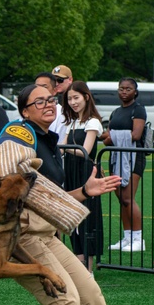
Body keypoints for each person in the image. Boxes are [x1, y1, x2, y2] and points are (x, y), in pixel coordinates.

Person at [0, 83, 154, 305]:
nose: (48, 105)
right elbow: (3, 171)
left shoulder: (50, 139)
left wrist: (85, 190)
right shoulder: (19, 131)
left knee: (91, 294)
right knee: (65, 301)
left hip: (45, 235)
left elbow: (49, 202)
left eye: (51, 100)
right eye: (39, 102)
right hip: (21, 238)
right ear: (24, 110)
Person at [102, 78, 147, 252]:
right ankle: (127, 237)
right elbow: (106, 139)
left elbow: (136, 134)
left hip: (133, 158)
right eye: (121, 88)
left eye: (128, 89)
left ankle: (138, 239)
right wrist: (109, 137)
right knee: (122, 200)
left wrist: (112, 136)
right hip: (116, 157)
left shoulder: (138, 109)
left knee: (128, 198)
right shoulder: (115, 112)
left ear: (135, 91)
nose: (124, 91)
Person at [62, 81, 104, 263]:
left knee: (88, 217)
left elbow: (85, 151)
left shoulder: (93, 122)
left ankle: (88, 265)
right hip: (70, 171)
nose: (73, 102)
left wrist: (65, 147)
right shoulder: (71, 122)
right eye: (70, 98)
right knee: (73, 215)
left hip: (86, 173)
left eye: (76, 97)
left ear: (86, 97)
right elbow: (62, 147)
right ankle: (79, 259)